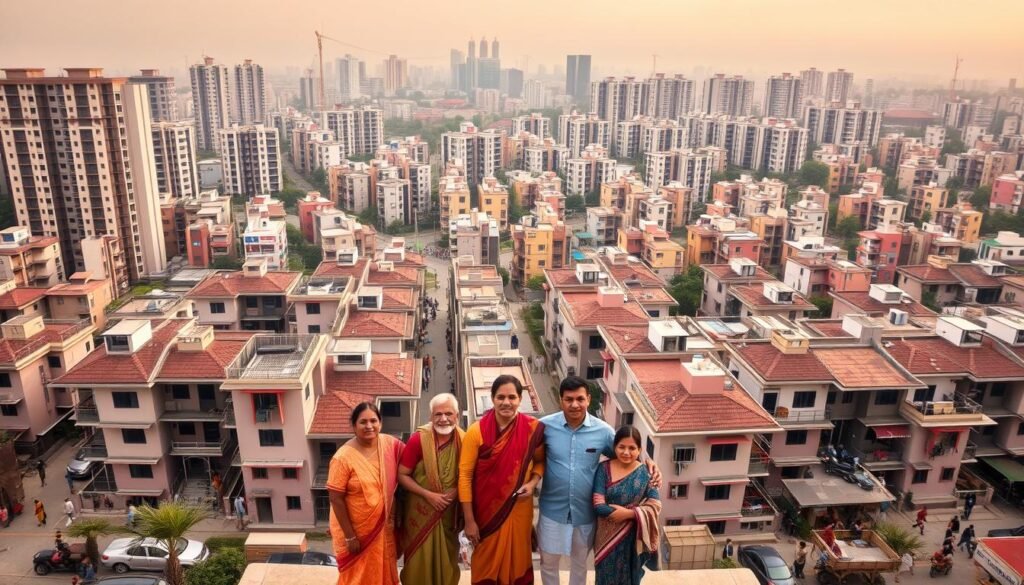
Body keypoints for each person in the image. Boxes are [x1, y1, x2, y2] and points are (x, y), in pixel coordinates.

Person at [538, 377, 660, 585]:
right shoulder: (544, 427)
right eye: (569, 399)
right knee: (548, 563)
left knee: (579, 565)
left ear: (588, 399)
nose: (574, 404)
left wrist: (650, 465)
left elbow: (627, 455)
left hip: (585, 513)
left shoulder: (603, 432)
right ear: (561, 400)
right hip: (552, 511)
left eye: (579, 399)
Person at [459, 375, 545, 585]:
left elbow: (541, 462)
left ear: (520, 399)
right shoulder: (476, 431)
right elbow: (464, 476)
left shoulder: (533, 428)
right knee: (485, 561)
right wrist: (469, 521)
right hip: (486, 513)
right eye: (501, 397)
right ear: (492, 398)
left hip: (519, 508)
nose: (506, 402)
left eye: (512, 397)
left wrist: (533, 484)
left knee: (517, 559)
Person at [327, 402, 404, 585]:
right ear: (354, 426)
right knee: (357, 578)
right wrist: (350, 536)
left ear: (380, 423)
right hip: (357, 532)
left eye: (373, 421)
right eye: (363, 422)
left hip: (383, 527)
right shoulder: (343, 457)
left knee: (384, 571)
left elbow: (411, 464)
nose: (369, 426)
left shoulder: (390, 445)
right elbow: (335, 498)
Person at [397, 394, 464, 585]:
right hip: (420, 512)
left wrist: (458, 491)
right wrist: (429, 495)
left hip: (448, 515)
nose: (443, 419)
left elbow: (468, 476)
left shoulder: (464, 440)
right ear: (430, 417)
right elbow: (402, 475)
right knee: (419, 562)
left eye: (449, 414)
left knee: (448, 561)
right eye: (438, 414)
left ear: (457, 416)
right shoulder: (419, 439)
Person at [592, 426, 661, 585]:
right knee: (605, 577)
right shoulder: (604, 468)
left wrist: (629, 514)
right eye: (621, 447)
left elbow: (655, 504)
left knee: (630, 577)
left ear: (640, 450)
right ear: (614, 447)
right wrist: (620, 513)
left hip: (633, 538)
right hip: (606, 538)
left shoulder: (646, 473)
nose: (626, 452)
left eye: (632, 448)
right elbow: (598, 505)